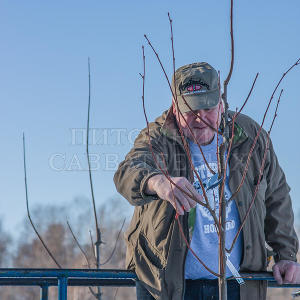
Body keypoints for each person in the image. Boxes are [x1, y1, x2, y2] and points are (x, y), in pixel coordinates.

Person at [113, 62, 299, 300]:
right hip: (169, 286)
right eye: (190, 111)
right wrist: (158, 182)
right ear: (175, 107)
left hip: (239, 283)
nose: (199, 118)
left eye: (207, 108)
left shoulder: (250, 135)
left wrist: (286, 255)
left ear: (221, 105)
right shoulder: (157, 136)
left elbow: (277, 195)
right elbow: (127, 171)